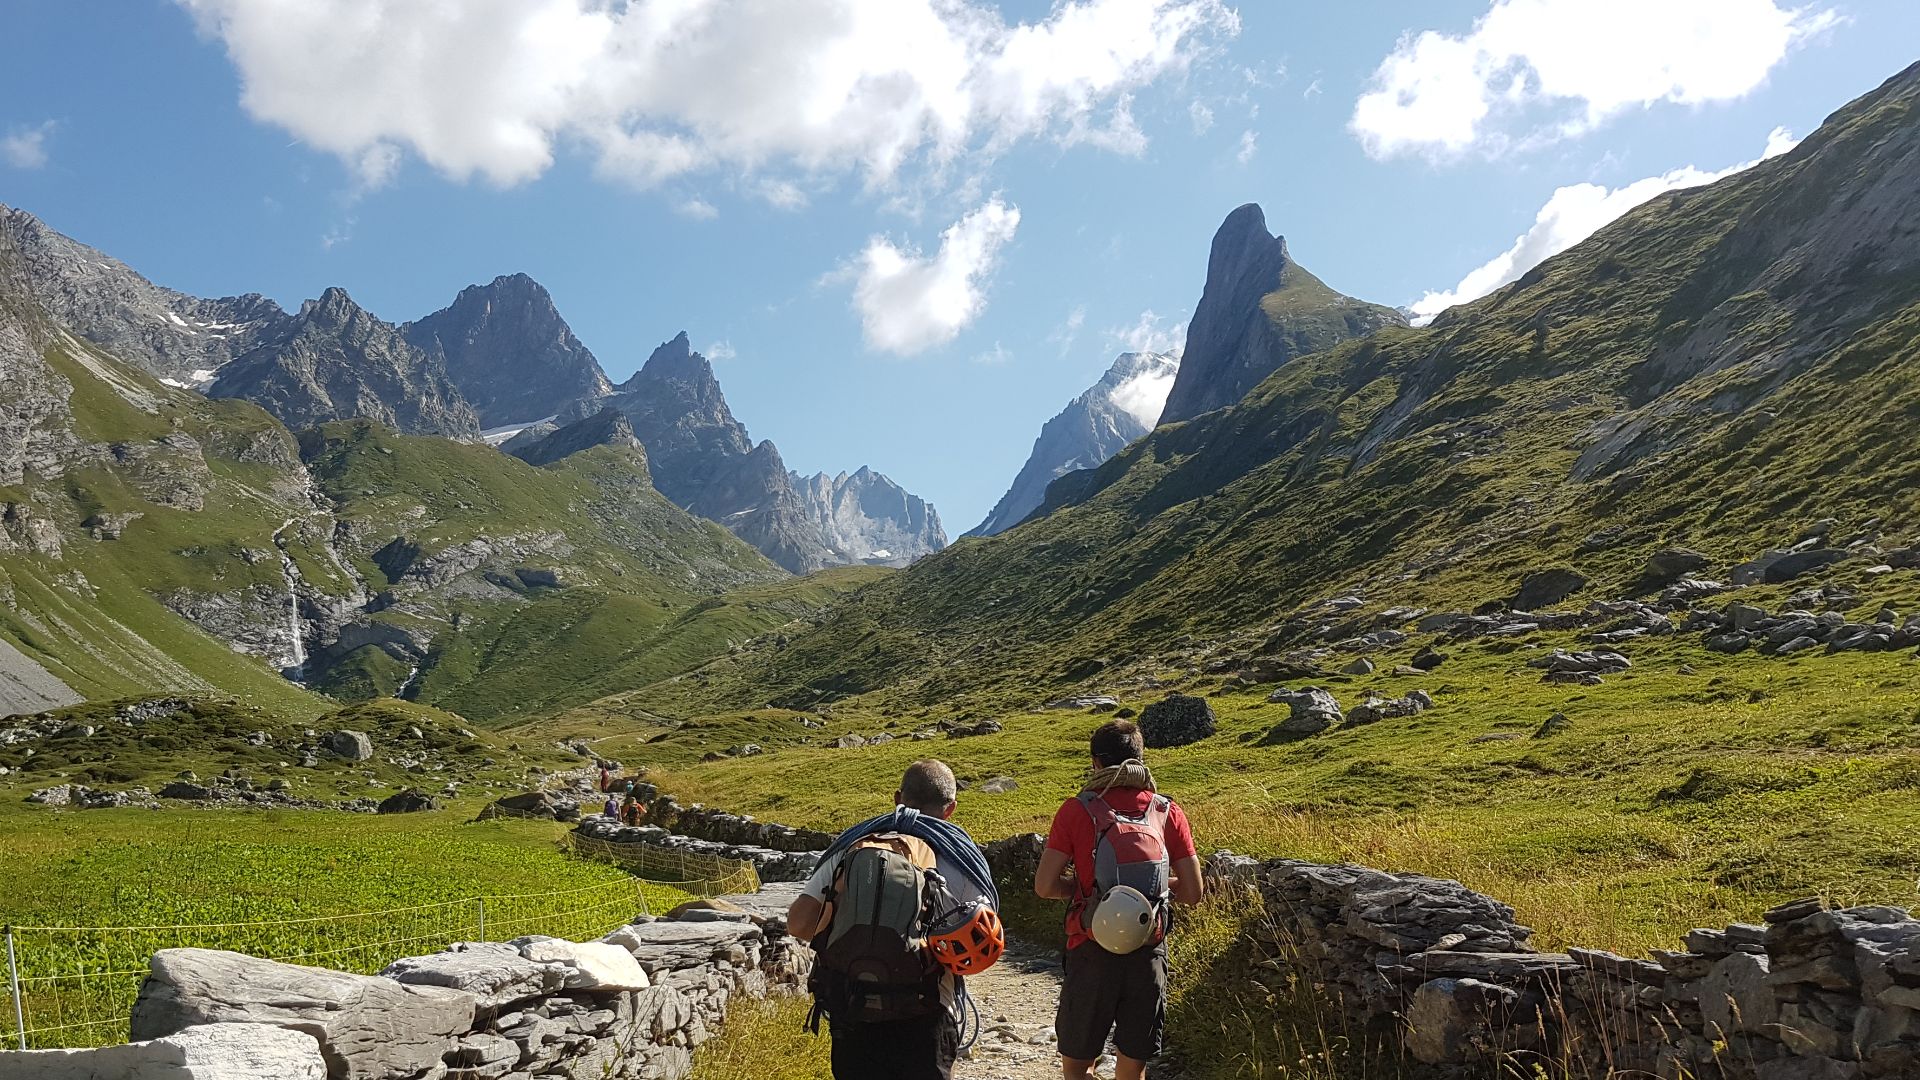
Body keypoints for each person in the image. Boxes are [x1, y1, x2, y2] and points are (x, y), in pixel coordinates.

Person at [787, 760, 1002, 1080]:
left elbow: (799, 924)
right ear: (950, 808)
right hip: (926, 1010)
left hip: (853, 1005)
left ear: (897, 797)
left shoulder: (855, 845)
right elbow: (982, 939)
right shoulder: (960, 856)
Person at [1034, 719, 1204, 1080]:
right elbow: (1193, 892)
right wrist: (1153, 889)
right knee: (1133, 1067)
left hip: (1091, 947)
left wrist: (1089, 892)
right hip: (1147, 949)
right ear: (1141, 759)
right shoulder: (1166, 811)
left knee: (1079, 1066)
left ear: (1095, 762)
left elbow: (1045, 886)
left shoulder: (1077, 810)